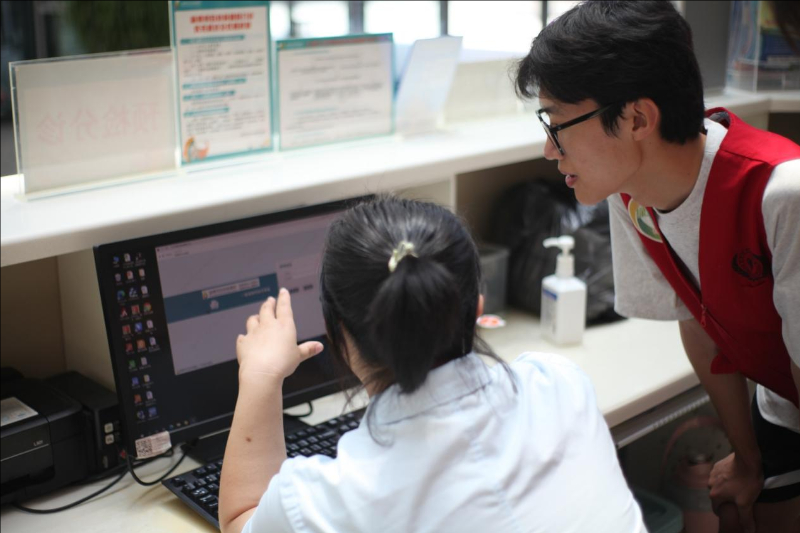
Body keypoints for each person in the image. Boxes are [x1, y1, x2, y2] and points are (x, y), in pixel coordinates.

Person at [514, 1, 800, 532]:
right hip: (781, 402)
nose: (549, 149)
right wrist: (746, 456)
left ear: (638, 119)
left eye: (557, 124)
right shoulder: (630, 193)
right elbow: (698, 323)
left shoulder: (782, 193)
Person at [218, 196, 646, 533]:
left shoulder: (331, 502)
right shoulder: (560, 385)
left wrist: (260, 377)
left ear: (337, 337)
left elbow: (242, 518)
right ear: (477, 310)